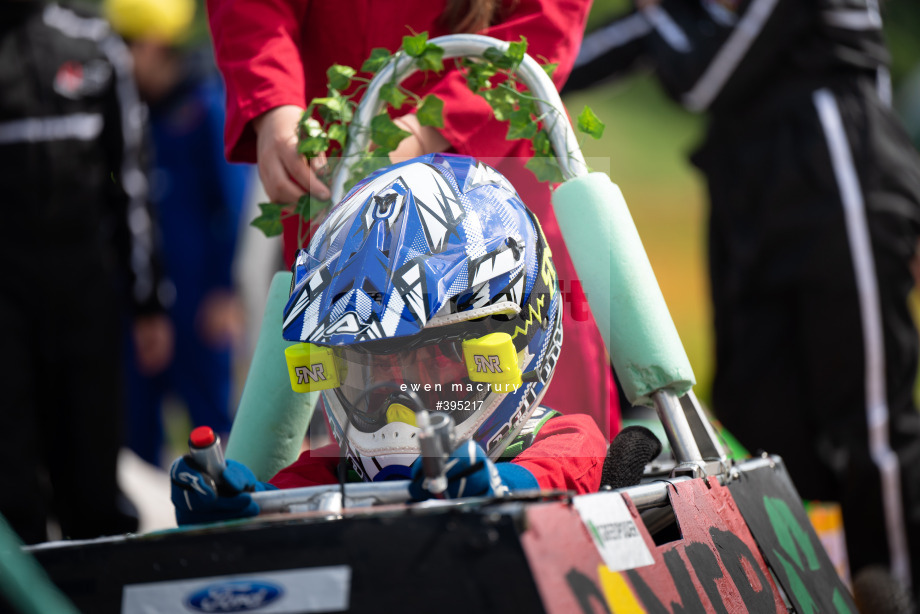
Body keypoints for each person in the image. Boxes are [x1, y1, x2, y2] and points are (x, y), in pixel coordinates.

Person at [563, 0, 920, 603]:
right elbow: (572, 61)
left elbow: (708, 76)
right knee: (756, 419)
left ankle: (898, 587)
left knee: (865, 416)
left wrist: (659, 17)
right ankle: (801, 587)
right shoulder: (690, 14)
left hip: (838, 179)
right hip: (748, 199)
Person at [205, 0, 620, 441]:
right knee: (368, 433)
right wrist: (274, 108)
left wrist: (429, 130)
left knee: (540, 431)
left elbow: (547, 16)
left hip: (494, 192)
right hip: (339, 178)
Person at [170, 155, 607, 524]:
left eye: (433, 364)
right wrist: (230, 505)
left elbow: (569, 469)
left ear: (515, 340)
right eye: (370, 369)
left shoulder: (559, 440)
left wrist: (501, 487)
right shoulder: (338, 470)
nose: (399, 407)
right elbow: (276, 502)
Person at [0, 0, 172, 543]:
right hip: (5, 306)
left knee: (93, 485)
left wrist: (148, 302)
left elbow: (133, 183)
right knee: (11, 490)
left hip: (86, 297)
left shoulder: (96, 44)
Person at [104, 0, 253, 467]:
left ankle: (223, 524)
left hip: (199, 301)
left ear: (153, 45)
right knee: (135, 431)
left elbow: (232, 208)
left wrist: (226, 291)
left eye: (125, 45)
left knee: (210, 428)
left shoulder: (205, 107)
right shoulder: (131, 114)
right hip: (142, 303)